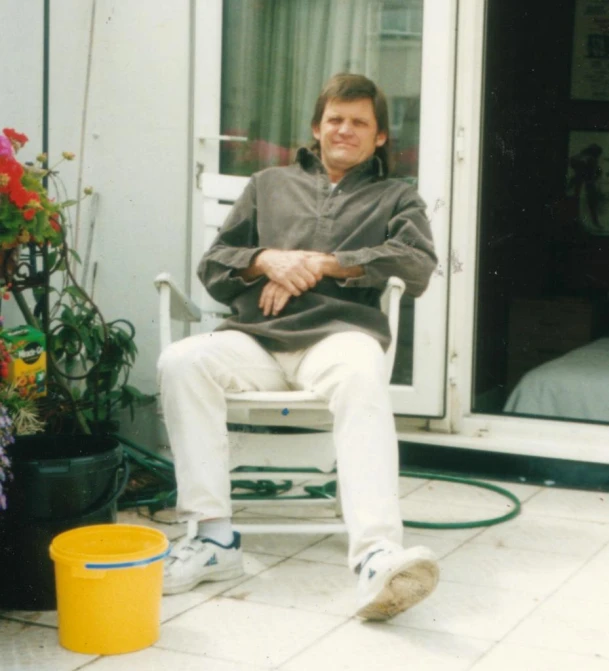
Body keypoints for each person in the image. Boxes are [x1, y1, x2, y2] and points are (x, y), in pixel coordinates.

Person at [158, 73, 439, 621]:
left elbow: (416, 265)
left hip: (338, 339)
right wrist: (267, 260)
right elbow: (215, 267)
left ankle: (377, 554)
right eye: (336, 118)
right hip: (257, 341)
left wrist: (324, 263)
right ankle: (214, 539)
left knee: (362, 373)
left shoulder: (396, 196)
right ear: (317, 127)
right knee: (182, 361)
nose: (345, 130)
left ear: (379, 137)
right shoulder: (267, 184)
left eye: (360, 122)